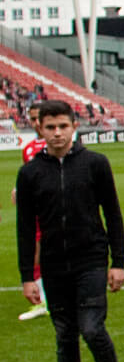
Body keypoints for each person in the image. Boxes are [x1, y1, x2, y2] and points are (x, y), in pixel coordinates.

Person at [16, 100, 124, 362]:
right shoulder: (30, 173)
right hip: (53, 267)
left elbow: (113, 214)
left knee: (92, 329)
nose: (57, 133)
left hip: (91, 261)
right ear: (41, 129)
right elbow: (24, 228)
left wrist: (117, 263)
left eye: (63, 126)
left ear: (74, 126)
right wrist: (27, 276)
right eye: (50, 127)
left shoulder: (95, 164)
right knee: (65, 337)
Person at [14, 102, 49, 320]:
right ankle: (42, 300)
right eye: (33, 118)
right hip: (35, 209)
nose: (36, 123)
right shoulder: (28, 149)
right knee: (34, 250)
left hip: (57, 207)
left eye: (40, 118)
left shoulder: (57, 143)